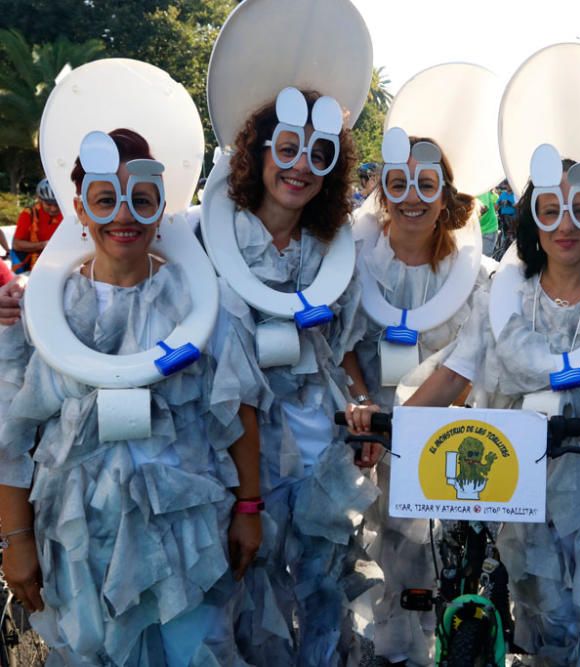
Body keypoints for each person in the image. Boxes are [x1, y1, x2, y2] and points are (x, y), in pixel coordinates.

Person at [353, 155, 580, 664]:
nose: (565, 225)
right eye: (550, 211)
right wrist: (390, 424)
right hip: (525, 493)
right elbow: (456, 373)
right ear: (532, 220)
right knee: (545, 624)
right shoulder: (507, 296)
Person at [0, 128, 261, 665]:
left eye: (141, 199)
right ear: (80, 208)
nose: (125, 215)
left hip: (185, 537)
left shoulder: (203, 306)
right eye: (105, 199)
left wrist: (249, 509)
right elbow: (13, 433)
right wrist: (16, 539)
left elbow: (237, 414)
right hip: (83, 539)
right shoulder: (41, 314)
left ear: (162, 207)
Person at [214, 90, 380, 665]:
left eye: (318, 155)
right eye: (287, 149)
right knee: (250, 603)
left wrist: (363, 414)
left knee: (323, 598)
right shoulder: (209, 238)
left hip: (321, 452)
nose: (301, 167)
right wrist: (21, 294)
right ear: (258, 155)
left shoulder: (334, 250)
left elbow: (346, 349)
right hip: (241, 460)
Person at [341, 133, 490, 665]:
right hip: (360, 419)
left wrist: (401, 427)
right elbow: (340, 343)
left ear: (446, 193)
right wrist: (365, 411)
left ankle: (411, 651)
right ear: (382, 188)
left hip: (434, 422)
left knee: (416, 559)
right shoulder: (355, 257)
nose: (411, 197)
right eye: (398, 183)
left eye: (425, 184)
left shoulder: (471, 273)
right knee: (356, 548)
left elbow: (466, 367)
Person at [11, 179, 63, 273]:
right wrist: (44, 245)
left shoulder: (68, 214)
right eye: (48, 204)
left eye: (57, 204)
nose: (53, 209)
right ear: (40, 199)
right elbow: (17, 244)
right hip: (29, 262)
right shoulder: (28, 214)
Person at [478, 187, 500, 256]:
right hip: (479, 230)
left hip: (488, 231)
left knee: (482, 262)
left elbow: (484, 208)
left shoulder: (481, 189)